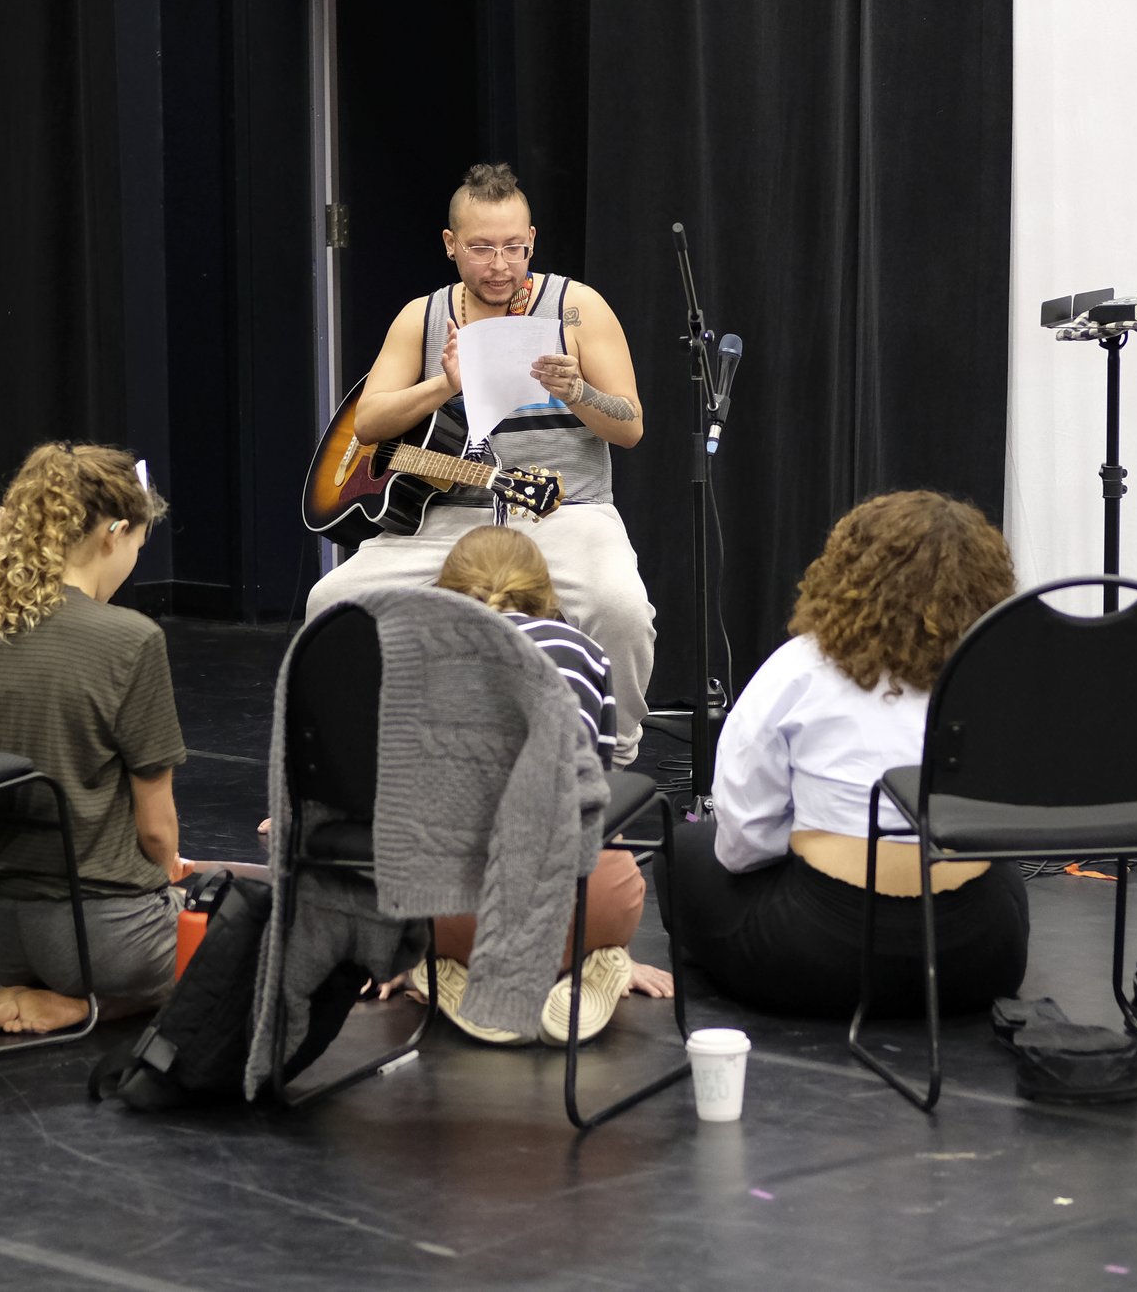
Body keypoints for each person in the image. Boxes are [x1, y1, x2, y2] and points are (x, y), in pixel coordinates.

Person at [303, 164, 658, 763]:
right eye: (482, 248)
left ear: (533, 240)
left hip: (563, 510)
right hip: (445, 515)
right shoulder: (422, 315)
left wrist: (578, 393)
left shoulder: (578, 307)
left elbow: (630, 428)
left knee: (619, 608)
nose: (500, 264)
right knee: (331, 604)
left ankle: (614, 761)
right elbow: (368, 425)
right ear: (450, 245)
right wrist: (441, 386)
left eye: (515, 247)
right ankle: (335, 771)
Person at [665, 492, 1031, 1018]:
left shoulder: (799, 667)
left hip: (820, 955)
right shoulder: (997, 673)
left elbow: (744, 844)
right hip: (979, 957)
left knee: (683, 850)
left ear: (847, 571)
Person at [0, 443, 184, 1035]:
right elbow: (156, 831)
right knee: (250, 933)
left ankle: (33, 989)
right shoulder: (132, 639)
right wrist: (172, 871)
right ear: (115, 532)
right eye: (137, 546)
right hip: (105, 942)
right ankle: (88, 1005)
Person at [422, 526, 673, 1044]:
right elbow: (600, 793)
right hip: (591, 905)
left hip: (460, 916)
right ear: (544, 590)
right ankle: (597, 959)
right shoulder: (584, 650)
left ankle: (432, 969)